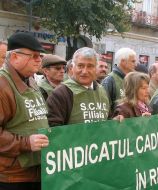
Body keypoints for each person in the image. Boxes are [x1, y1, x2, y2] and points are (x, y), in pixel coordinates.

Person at [0, 32, 49, 190]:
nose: (39, 60)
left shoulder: (30, 80)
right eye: (34, 55)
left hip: (34, 171)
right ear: (14, 57)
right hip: (12, 176)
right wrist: (26, 143)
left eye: (40, 56)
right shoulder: (2, 85)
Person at [47, 47, 110, 126]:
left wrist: (114, 122)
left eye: (90, 66)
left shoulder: (102, 91)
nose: (84, 71)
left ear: (96, 68)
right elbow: (54, 130)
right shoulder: (61, 93)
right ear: (72, 68)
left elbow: (107, 120)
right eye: (80, 66)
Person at [102, 48, 137, 112]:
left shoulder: (132, 79)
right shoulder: (110, 80)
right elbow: (104, 107)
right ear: (123, 61)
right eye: (133, 61)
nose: (136, 64)